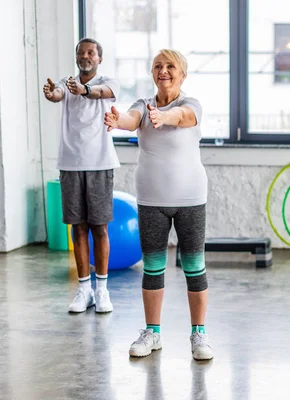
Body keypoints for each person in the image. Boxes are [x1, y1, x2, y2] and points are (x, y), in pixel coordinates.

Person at [104, 49, 213, 360]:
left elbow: (183, 118)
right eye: (158, 66)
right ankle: (153, 332)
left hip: (191, 199)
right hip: (152, 200)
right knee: (152, 268)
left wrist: (165, 116)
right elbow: (130, 119)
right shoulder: (143, 104)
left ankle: (199, 334)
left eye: (170, 66)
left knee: (194, 267)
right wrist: (117, 120)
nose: (163, 71)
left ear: (183, 74)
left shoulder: (191, 105)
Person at [42, 38, 120, 314]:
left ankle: (102, 290)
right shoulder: (67, 82)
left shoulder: (109, 81)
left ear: (99, 58)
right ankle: (84, 289)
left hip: (100, 164)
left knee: (100, 227)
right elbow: (59, 94)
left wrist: (85, 89)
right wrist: (52, 93)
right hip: (70, 164)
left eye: (90, 52)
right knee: (78, 228)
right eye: (80, 52)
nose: (85, 56)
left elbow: (101, 92)